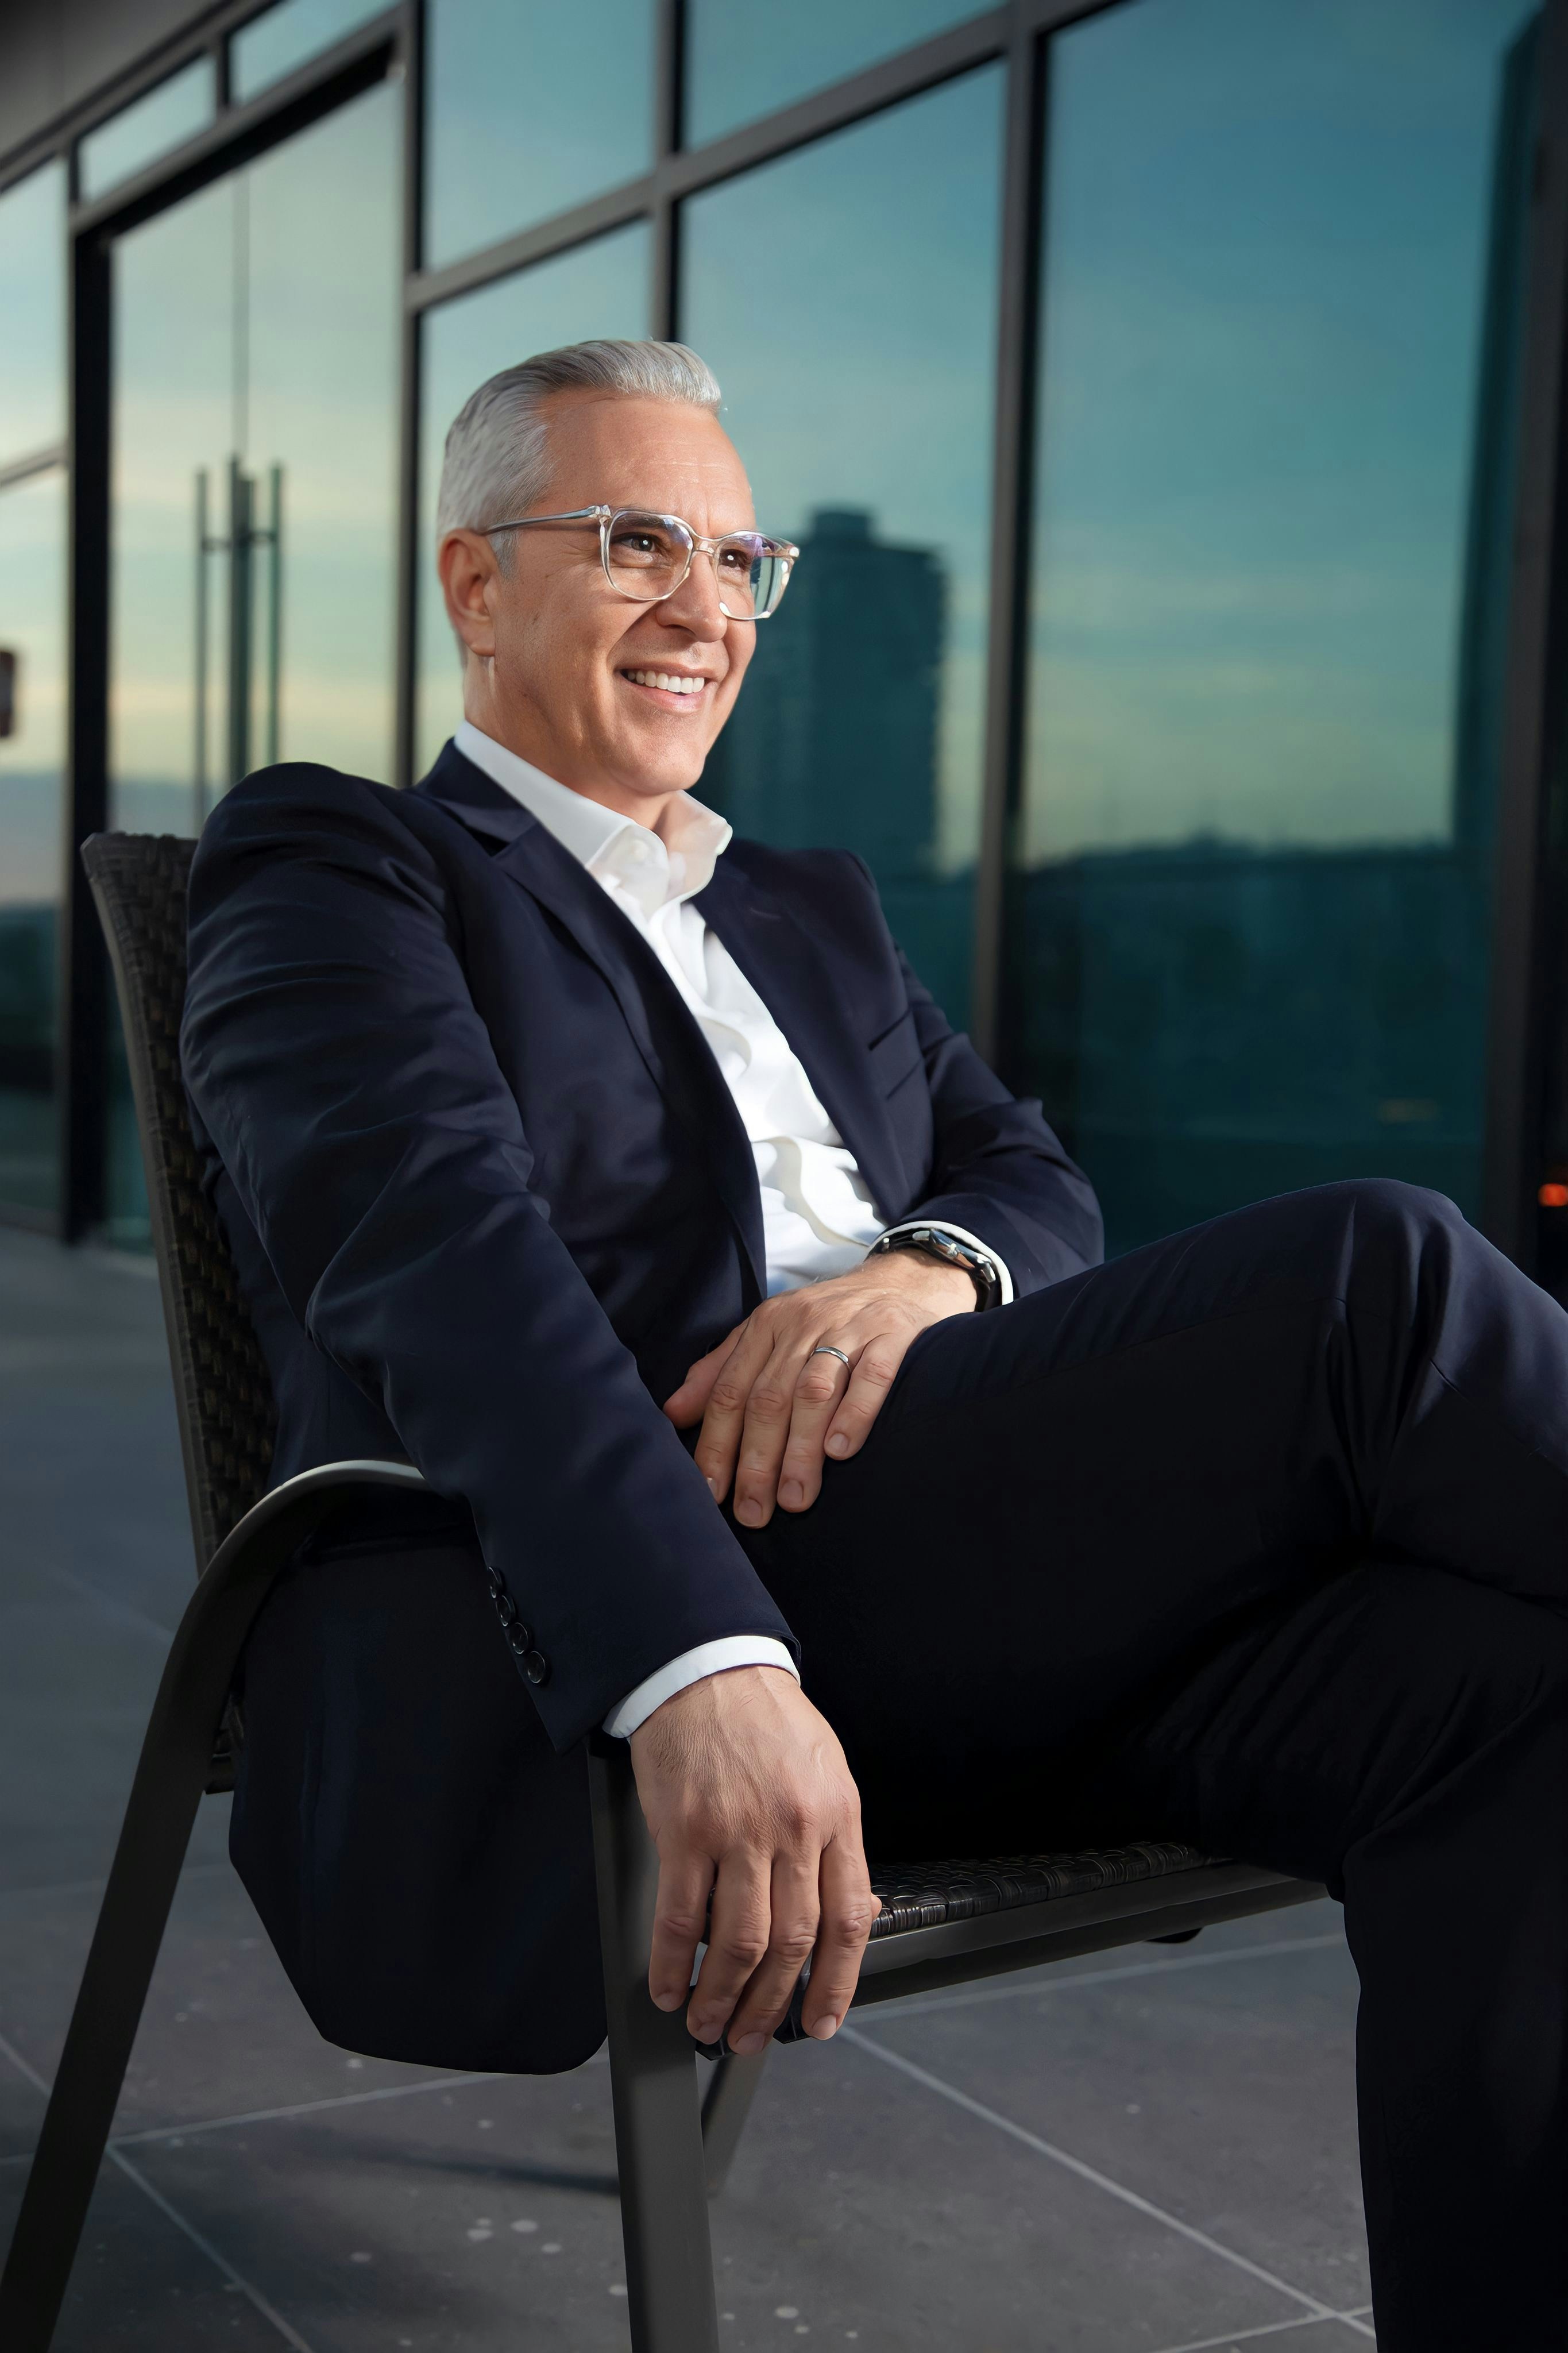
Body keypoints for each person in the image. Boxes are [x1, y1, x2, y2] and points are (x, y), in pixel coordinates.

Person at [182, 340, 1567, 2351]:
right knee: (1379, 1279)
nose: (706, 606)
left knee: (1509, 1689)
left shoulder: (809, 907)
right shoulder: (341, 862)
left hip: (977, 1577)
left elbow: (1025, 1171)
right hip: (655, 1592)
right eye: (637, 541)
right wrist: (699, 1660)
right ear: (476, 587)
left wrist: (919, 1272)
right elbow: (437, 1260)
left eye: (744, 561)